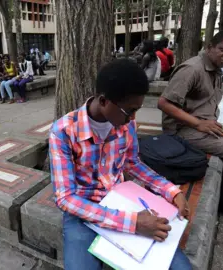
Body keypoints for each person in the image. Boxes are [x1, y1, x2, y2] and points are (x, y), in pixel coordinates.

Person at [49, 58, 192, 270]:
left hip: (122, 200)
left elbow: (133, 163)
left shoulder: (126, 123)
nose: (133, 118)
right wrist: (133, 223)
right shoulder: (63, 132)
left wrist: (170, 190)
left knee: (181, 268)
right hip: (83, 211)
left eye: (137, 110)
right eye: (129, 111)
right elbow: (66, 198)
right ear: (104, 101)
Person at [157, 31, 223, 230]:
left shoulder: (216, 69)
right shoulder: (192, 69)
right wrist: (198, 124)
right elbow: (164, 103)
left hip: (207, 122)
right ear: (209, 47)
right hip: (183, 131)